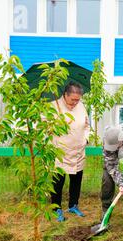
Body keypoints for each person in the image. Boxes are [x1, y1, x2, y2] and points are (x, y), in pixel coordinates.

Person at [51, 82, 90, 222]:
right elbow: (43, 127)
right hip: (60, 153)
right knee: (57, 183)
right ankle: (56, 209)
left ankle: (73, 205)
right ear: (65, 95)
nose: (76, 102)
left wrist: (86, 139)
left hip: (78, 151)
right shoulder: (53, 106)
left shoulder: (81, 106)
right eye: (73, 99)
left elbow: (87, 125)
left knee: (76, 180)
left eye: (78, 99)